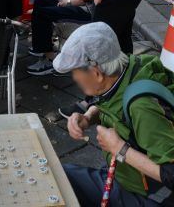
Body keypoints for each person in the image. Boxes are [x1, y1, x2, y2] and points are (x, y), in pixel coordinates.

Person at [54, 22, 174, 207]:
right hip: (128, 172)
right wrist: (88, 117)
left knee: (62, 179)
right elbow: (116, 102)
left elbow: (171, 174)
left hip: (150, 192)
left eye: (75, 72)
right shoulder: (131, 66)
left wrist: (119, 149)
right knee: (65, 176)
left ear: (96, 73)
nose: (74, 78)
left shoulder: (141, 107)